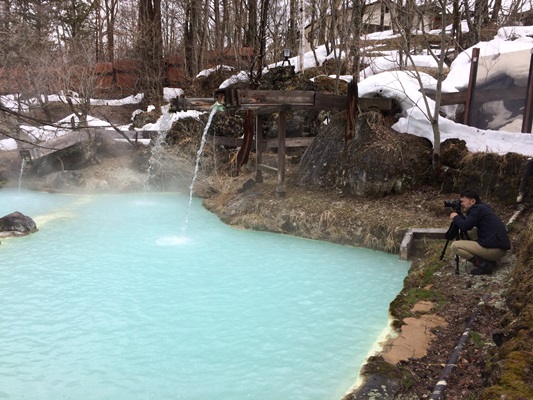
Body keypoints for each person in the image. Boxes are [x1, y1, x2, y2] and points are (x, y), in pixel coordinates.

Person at [449, 189, 511, 275]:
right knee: (471, 232)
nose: (461, 204)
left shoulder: (476, 210)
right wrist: (459, 215)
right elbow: (468, 224)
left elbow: (466, 226)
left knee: (455, 246)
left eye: (463, 201)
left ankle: (485, 265)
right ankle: (487, 259)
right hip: (499, 246)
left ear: (473, 201)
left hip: (496, 251)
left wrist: (455, 217)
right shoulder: (481, 207)